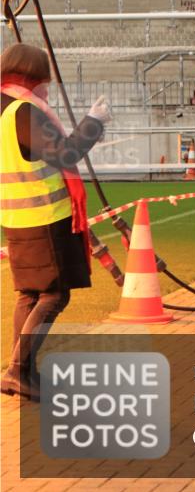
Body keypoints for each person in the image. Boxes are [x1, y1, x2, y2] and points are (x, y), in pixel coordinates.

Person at [1, 43, 110, 399]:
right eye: (44, 81)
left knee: (29, 295)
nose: (47, 89)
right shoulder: (23, 111)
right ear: (31, 78)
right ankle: (18, 369)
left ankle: (21, 371)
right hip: (45, 217)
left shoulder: (4, 108)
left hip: (16, 217)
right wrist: (93, 122)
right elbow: (66, 152)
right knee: (53, 295)